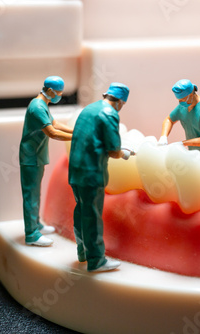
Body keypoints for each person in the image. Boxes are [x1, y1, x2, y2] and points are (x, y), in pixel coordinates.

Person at [68, 83, 132, 272]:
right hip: (92, 174)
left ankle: (82, 252)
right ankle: (96, 260)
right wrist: (124, 153)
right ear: (120, 102)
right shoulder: (110, 114)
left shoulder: (89, 109)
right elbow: (113, 150)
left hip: (76, 171)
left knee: (80, 211)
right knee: (93, 216)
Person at [19, 75, 73, 247]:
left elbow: (55, 123)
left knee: (36, 193)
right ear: (50, 91)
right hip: (30, 157)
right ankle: (31, 234)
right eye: (58, 93)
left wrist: (75, 130)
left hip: (37, 155)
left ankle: (36, 224)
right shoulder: (37, 107)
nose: (59, 96)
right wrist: (77, 137)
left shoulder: (42, 104)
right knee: (31, 195)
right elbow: (52, 132)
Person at [159, 79, 200, 157]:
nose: (181, 102)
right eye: (179, 100)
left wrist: (183, 143)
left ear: (191, 95)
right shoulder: (183, 106)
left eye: (183, 100)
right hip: (194, 154)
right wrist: (163, 137)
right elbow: (169, 119)